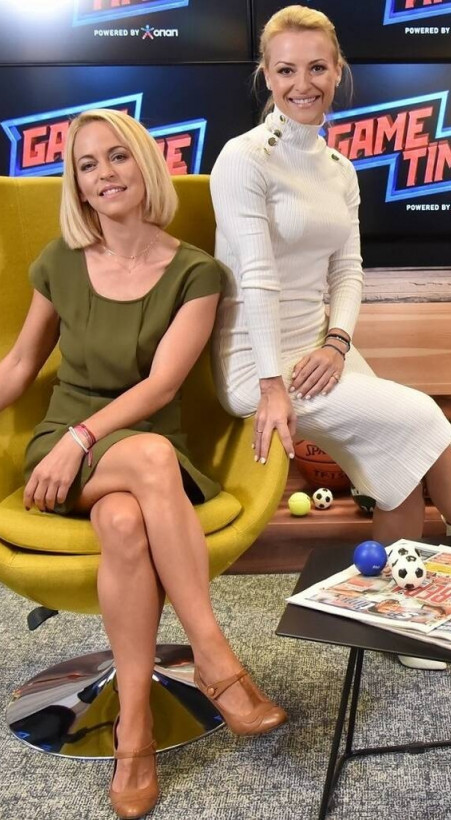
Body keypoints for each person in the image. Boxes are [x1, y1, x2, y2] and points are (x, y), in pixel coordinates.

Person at [0, 109, 286, 820]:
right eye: (87, 165)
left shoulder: (196, 272)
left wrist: (85, 436)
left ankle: (135, 734)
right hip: (64, 454)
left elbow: (160, 387)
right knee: (145, 464)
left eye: (117, 157)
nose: (104, 174)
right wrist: (72, 440)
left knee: (127, 518)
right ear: (78, 186)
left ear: (144, 165)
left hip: (143, 449)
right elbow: (19, 365)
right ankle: (215, 659)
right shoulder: (59, 261)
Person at [209, 6, 451, 670]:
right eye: (286, 70)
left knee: (402, 465)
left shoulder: (339, 167)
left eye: (317, 68)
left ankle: (396, 617)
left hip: (319, 348)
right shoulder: (241, 159)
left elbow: (349, 270)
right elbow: (255, 278)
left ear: (338, 71)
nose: (302, 84)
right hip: (256, 361)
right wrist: (273, 386)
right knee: (419, 414)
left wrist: (337, 343)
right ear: (266, 75)